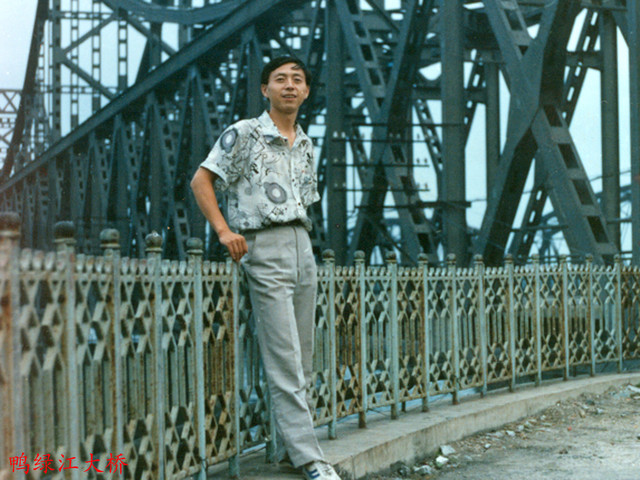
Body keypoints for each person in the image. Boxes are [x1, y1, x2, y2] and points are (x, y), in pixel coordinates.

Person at [190, 56, 341, 480]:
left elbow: (304, 201)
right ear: (265, 89)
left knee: (304, 357)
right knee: (285, 358)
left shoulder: (306, 143)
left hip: (302, 245)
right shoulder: (244, 132)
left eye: (297, 80)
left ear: (306, 91)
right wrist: (224, 231)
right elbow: (201, 180)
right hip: (264, 245)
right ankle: (311, 459)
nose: (289, 85)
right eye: (280, 79)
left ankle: (289, 448)